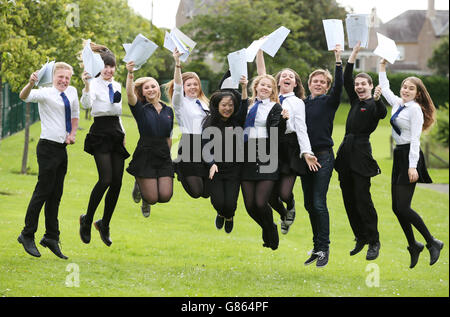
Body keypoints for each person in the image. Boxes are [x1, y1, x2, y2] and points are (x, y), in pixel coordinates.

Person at [379, 59, 444, 268]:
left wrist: (412, 166)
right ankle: (413, 245)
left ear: (418, 93)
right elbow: (387, 89)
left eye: (411, 88)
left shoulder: (415, 109)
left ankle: (432, 241)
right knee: (396, 208)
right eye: (404, 87)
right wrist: (382, 67)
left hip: (409, 156)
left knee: (403, 207)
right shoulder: (399, 103)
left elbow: (416, 139)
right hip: (399, 156)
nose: (406, 90)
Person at [17, 62, 79, 259]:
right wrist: (30, 83)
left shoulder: (72, 92)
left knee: (56, 194)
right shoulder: (44, 92)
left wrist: (73, 134)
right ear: (53, 76)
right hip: (47, 147)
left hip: (62, 149)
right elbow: (24, 96)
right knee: (42, 191)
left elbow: (75, 115)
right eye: (60, 77)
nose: (64, 81)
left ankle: (51, 236)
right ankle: (27, 234)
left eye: (67, 78)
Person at [255, 49, 320, 235]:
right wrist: (260, 52)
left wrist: (306, 152)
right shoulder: (270, 98)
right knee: (269, 195)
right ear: (277, 82)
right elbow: (261, 75)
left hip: (290, 148)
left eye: (290, 76)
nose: (287, 77)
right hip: (271, 146)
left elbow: (301, 129)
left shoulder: (298, 102)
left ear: (295, 83)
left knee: (284, 193)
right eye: (283, 75)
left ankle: (290, 204)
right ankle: (284, 215)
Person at [335, 42, 386, 261]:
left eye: (363, 84)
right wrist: (353, 53)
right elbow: (346, 79)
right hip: (345, 153)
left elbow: (382, 113)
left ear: (370, 85)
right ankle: (360, 237)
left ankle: (374, 241)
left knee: (363, 199)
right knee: (348, 199)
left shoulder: (374, 103)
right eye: (357, 84)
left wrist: (377, 98)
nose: (358, 87)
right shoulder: (355, 100)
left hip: (362, 155)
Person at [79, 41, 130, 247]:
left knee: (117, 183)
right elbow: (87, 105)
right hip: (100, 132)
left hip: (116, 132)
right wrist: (85, 85)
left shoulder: (116, 85)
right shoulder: (93, 83)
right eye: (105, 66)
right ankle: (87, 219)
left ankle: (105, 223)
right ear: (98, 67)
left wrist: (124, 134)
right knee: (106, 179)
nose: (108, 70)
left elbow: (117, 114)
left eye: (111, 66)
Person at [301, 45, 343, 267]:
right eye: (315, 81)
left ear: (326, 87)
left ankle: (324, 248)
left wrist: (338, 60)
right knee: (309, 204)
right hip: (305, 158)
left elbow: (339, 86)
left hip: (324, 156)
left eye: (322, 82)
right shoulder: (302, 104)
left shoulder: (329, 101)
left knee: (318, 202)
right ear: (309, 84)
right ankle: (316, 247)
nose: (318, 84)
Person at [241, 73, 288, 250]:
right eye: (262, 85)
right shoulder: (246, 104)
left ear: (273, 90)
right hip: (246, 154)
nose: (265, 88)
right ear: (256, 86)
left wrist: (284, 121)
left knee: (261, 202)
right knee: (250, 206)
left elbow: (276, 131)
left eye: (269, 86)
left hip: (266, 153)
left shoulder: (276, 107)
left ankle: (271, 231)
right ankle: (268, 227)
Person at [125, 61, 174, 218]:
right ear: (143, 92)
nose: (151, 89)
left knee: (165, 196)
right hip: (145, 154)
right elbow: (129, 94)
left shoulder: (168, 110)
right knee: (152, 198)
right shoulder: (140, 109)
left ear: (158, 88)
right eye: (147, 88)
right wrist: (130, 73)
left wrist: (171, 156)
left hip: (163, 155)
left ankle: (143, 187)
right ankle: (142, 189)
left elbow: (169, 136)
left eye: (153, 86)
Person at [202, 76, 249, 233]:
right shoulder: (209, 122)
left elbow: (243, 105)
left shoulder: (237, 121)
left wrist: (243, 87)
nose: (227, 108)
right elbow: (205, 147)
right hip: (215, 168)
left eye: (230, 105)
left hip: (234, 169)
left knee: (230, 204)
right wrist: (211, 163)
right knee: (218, 202)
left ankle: (229, 216)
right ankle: (221, 213)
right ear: (217, 106)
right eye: (224, 105)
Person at [166, 48, 210, 199]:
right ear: (184, 88)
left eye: (195, 84)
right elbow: (177, 88)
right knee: (196, 192)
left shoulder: (206, 104)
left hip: (207, 146)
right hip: (189, 146)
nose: (193, 87)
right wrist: (178, 63)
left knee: (206, 193)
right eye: (189, 85)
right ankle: (179, 168)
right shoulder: (180, 103)